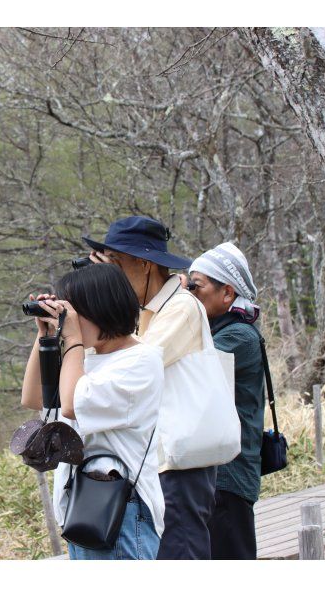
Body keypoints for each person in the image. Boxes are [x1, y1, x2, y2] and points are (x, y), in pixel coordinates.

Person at [85, 216, 217, 560]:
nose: (111, 274)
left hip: (180, 463)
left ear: (144, 265)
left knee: (181, 557)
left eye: (115, 264)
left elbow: (137, 362)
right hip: (155, 460)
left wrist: (105, 297)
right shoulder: (147, 310)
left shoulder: (181, 307)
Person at [20, 263, 164, 560]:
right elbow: (34, 398)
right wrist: (45, 337)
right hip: (84, 507)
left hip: (122, 509)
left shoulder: (140, 361)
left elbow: (71, 406)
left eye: (72, 312)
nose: (67, 321)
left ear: (101, 308)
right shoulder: (85, 359)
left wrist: (72, 340)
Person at [188, 242, 265, 560]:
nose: (189, 293)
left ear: (228, 294)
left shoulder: (237, 337)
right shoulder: (218, 331)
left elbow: (188, 377)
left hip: (229, 477)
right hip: (215, 474)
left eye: (197, 286)